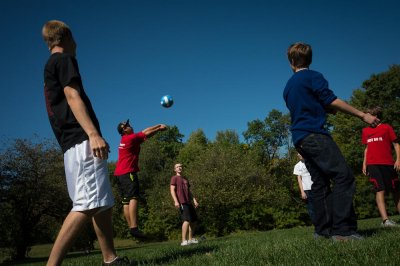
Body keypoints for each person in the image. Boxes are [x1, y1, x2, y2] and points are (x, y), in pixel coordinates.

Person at [42, 20, 130, 265]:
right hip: (81, 142)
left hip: (72, 145)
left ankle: (110, 259)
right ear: (65, 38)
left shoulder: (49, 67)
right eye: (75, 39)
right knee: (86, 203)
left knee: (102, 204)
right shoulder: (63, 60)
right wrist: (93, 134)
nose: (77, 44)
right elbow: (72, 95)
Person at [283, 42, 380, 241]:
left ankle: (323, 231)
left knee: (319, 184)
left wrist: (324, 108)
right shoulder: (313, 76)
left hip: (300, 138)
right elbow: (330, 100)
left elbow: (306, 105)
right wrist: (363, 115)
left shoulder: (288, 86)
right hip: (315, 135)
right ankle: (343, 231)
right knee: (343, 177)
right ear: (310, 60)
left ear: (292, 62)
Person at [114, 119, 167, 239]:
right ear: (124, 130)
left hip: (119, 174)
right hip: (128, 173)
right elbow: (146, 132)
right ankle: (134, 227)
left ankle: (131, 228)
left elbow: (145, 132)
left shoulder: (126, 139)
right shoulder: (130, 138)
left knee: (126, 201)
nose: (129, 126)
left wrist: (158, 128)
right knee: (133, 197)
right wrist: (159, 127)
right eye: (126, 126)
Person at [362, 106, 400, 227]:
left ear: (376, 116)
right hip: (373, 164)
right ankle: (385, 220)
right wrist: (364, 163)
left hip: (389, 164)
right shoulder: (365, 131)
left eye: (369, 115)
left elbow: (396, 144)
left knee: (396, 191)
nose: (366, 118)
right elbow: (367, 148)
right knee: (380, 189)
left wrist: (398, 159)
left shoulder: (387, 128)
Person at [170, 163, 199, 246]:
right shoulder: (174, 178)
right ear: (175, 169)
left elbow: (189, 191)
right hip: (182, 202)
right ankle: (184, 240)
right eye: (177, 167)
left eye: (180, 166)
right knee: (186, 220)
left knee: (193, 220)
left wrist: (194, 200)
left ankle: (190, 239)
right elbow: (172, 190)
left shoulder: (185, 179)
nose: (179, 168)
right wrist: (176, 201)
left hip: (188, 202)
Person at [293, 153, 314, 223]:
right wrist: (302, 192)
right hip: (306, 190)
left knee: (319, 206)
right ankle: (316, 226)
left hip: (316, 187)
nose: (298, 155)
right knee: (311, 208)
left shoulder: (312, 162)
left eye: (300, 153)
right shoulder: (297, 166)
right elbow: (299, 180)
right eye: (298, 154)